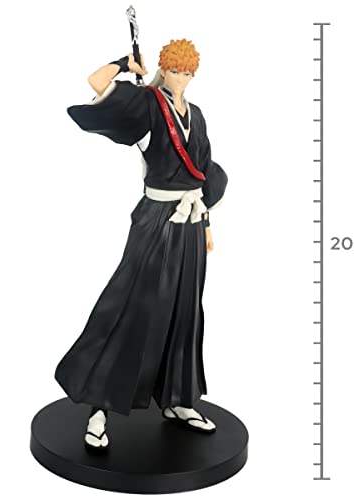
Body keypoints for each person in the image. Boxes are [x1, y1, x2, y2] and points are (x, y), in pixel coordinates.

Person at [54, 39, 228, 451]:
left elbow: (204, 169)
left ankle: (177, 398)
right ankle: (99, 407)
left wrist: (205, 221)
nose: (181, 79)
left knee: (186, 310)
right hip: (156, 220)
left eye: (188, 73)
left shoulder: (197, 115)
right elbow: (96, 82)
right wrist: (123, 64)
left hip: (190, 222)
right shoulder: (148, 105)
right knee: (133, 308)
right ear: (164, 70)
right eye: (175, 71)